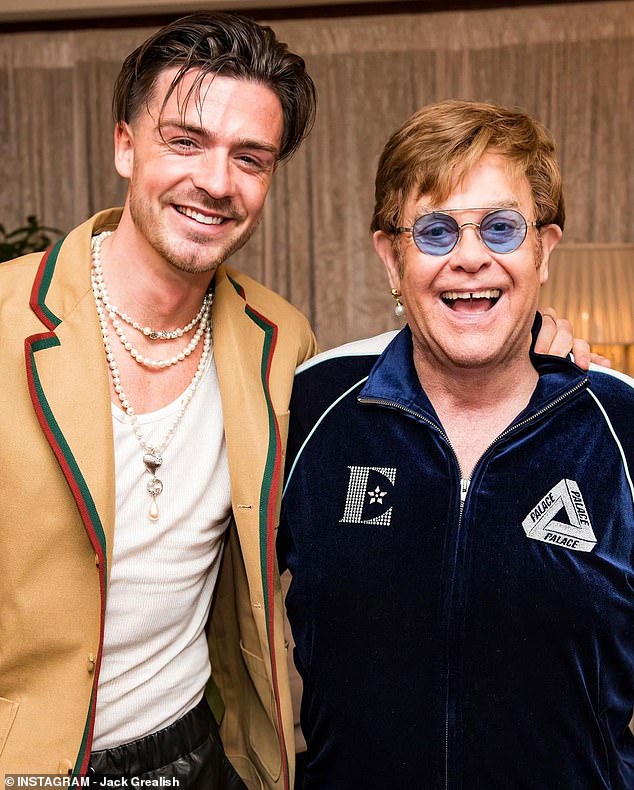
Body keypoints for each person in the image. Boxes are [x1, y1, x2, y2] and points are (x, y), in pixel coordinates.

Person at [0, 13, 318, 789]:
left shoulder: (280, 340)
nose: (216, 182)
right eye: (185, 141)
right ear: (124, 144)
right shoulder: (8, 318)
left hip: (194, 750)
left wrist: (537, 350)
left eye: (251, 158)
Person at [279, 100, 633, 789]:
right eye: (436, 231)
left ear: (544, 249)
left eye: (501, 228)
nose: (471, 258)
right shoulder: (310, 409)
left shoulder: (619, 425)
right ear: (391, 257)